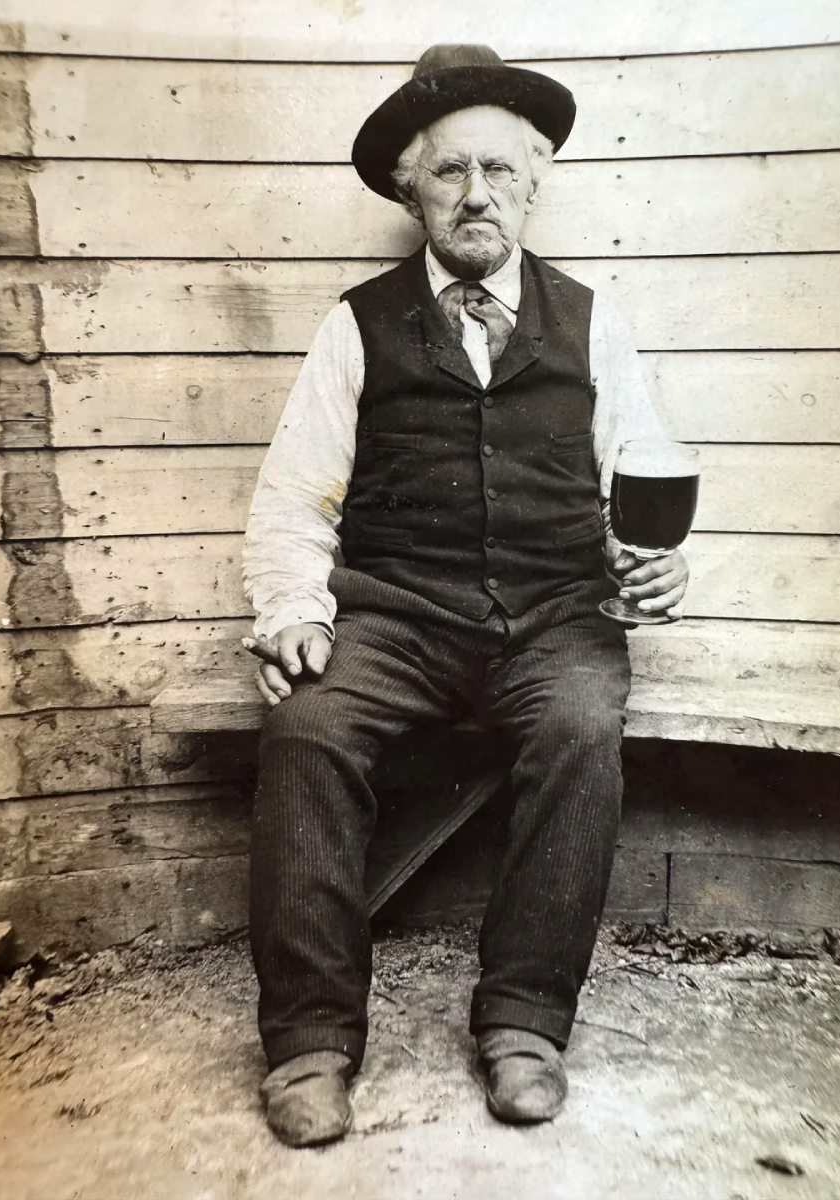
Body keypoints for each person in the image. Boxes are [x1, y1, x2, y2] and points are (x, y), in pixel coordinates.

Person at [241, 44, 689, 1147]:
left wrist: (660, 567)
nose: (476, 195)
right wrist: (295, 609)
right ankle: (308, 1041)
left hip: (551, 619)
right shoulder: (357, 322)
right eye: (449, 173)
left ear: (536, 182)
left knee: (584, 725)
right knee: (305, 726)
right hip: (395, 618)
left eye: (499, 170)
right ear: (411, 189)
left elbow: (643, 469)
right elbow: (295, 492)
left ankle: (526, 1024)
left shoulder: (593, 322)